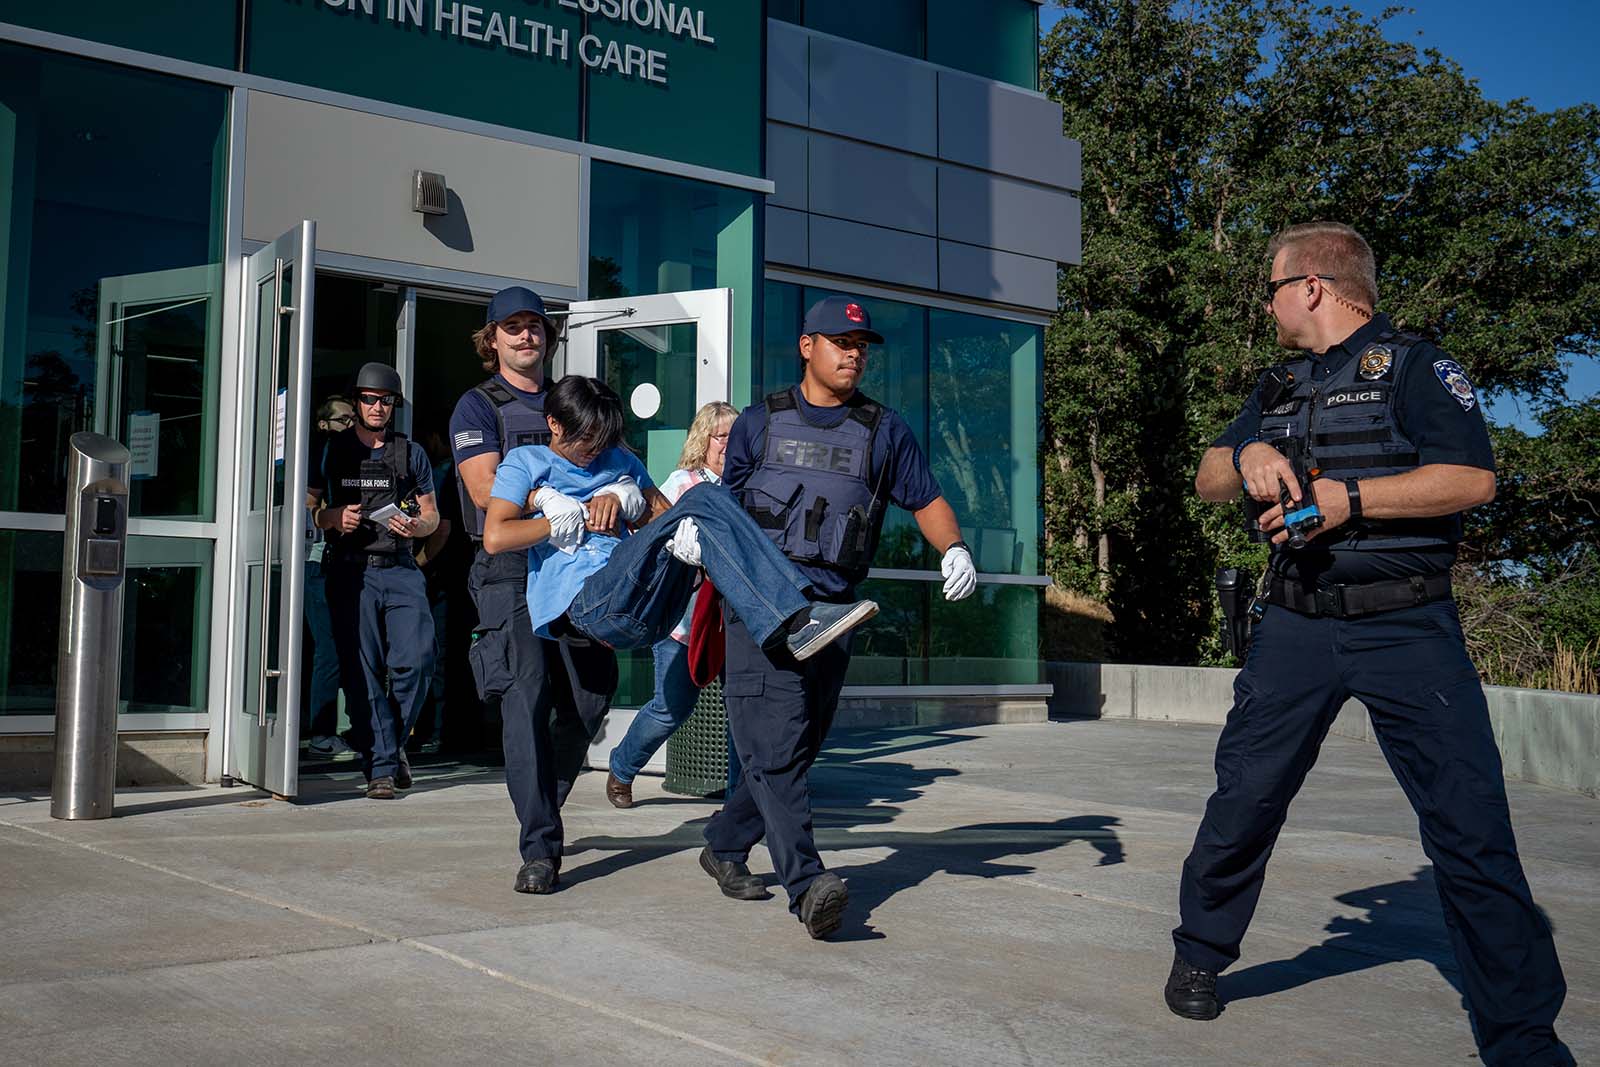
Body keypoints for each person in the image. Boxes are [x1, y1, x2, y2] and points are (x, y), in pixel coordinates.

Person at [1166, 222, 1569, 1066]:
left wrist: (1350, 497)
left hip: (1406, 625)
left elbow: (1472, 478)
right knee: (1244, 798)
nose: (1267, 302)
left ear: (1311, 285)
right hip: (1298, 623)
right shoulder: (1275, 384)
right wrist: (1248, 455)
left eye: (1272, 286)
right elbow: (1205, 475)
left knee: (1468, 825)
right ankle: (1200, 951)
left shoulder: (1419, 368)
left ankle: (1523, 1034)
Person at [701, 295, 978, 940]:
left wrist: (955, 548)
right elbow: (724, 501)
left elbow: (926, 497)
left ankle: (723, 840)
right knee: (775, 744)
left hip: (834, 612)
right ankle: (807, 883)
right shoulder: (759, 422)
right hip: (761, 607)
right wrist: (698, 538)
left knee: (796, 746)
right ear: (807, 346)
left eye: (861, 345)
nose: (853, 353)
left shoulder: (884, 430)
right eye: (839, 341)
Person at [449, 287, 618, 894]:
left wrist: (618, 495)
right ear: (491, 339)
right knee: (527, 699)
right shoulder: (477, 407)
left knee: (592, 699)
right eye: (512, 328)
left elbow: (617, 466)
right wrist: (548, 498)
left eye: (535, 327)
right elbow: (482, 489)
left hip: (578, 568)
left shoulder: (570, 402)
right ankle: (541, 848)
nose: (527, 336)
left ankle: (543, 797)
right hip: (511, 570)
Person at [308, 363, 439, 799]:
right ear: (357, 401)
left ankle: (391, 746)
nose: (377, 406)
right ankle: (380, 767)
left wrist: (416, 527)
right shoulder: (330, 450)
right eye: (368, 399)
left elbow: (432, 515)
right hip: (349, 568)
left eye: (386, 400)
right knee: (361, 671)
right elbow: (307, 510)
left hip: (400, 567)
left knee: (417, 661)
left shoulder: (410, 451)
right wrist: (332, 517)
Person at [603, 400, 741, 810]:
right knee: (671, 707)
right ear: (704, 440)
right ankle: (623, 768)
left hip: (736, 618)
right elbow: (653, 539)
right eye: (721, 436)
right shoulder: (682, 483)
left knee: (743, 712)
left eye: (736, 436)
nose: (729, 444)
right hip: (684, 618)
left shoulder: (746, 484)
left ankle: (742, 797)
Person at [303, 395, 355, 760]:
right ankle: (321, 734)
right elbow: (307, 506)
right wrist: (328, 516)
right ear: (324, 425)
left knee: (351, 646)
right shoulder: (320, 455)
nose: (351, 424)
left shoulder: (355, 455)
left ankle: (353, 726)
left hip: (347, 563)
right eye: (342, 419)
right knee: (330, 648)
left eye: (353, 418)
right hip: (318, 561)